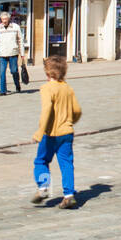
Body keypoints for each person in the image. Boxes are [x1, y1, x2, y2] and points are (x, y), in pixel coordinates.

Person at [31, 55, 82, 207]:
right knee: (66, 163)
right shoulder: (67, 88)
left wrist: (40, 132)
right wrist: (70, 122)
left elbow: (47, 110)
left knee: (41, 161)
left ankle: (44, 187)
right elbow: (77, 110)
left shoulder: (46, 88)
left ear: (47, 73)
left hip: (50, 133)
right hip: (67, 133)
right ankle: (69, 194)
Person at [0, 10, 26, 95]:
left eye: (6, 19)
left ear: (9, 19)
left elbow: (20, 41)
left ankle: (17, 86)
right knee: (2, 72)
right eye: (3, 19)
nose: (4, 21)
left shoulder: (16, 27)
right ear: (1, 19)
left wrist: (22, 53)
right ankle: (3, 90)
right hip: (2, 54)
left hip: (13, 53)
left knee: (14, 71)